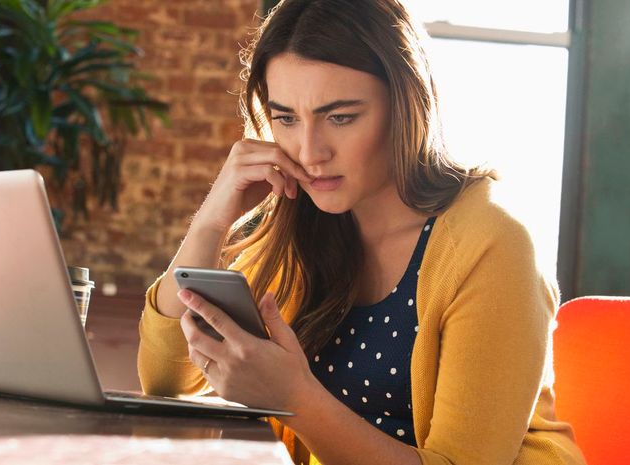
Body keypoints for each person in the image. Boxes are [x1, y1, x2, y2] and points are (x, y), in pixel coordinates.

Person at [138, 1, 586, 464]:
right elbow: (166, 381)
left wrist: (295, 397)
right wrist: (213, 220)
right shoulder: (306, 221)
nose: (310, 152)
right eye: (286, 118)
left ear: (406, 105)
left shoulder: (492, 242)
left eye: (341, 117)